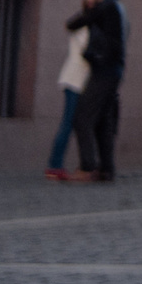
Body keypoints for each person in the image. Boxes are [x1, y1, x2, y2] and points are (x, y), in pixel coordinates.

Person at [63, 0, 126, 183]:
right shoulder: (116, 6)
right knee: (103, 122)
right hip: (114, 69)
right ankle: (106, 169)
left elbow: (75, 23)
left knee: (82, 116)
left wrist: (87, 11)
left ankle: (87, 167)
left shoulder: (106, 6)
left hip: (105, 70)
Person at [43, 24, 88, 181]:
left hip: (77, 81)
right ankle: (55, 165)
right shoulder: (84, 28)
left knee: (70, 123)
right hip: (75, 81)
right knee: (68, 123)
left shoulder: (83, 26)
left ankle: (57, 165)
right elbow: (86, 50)